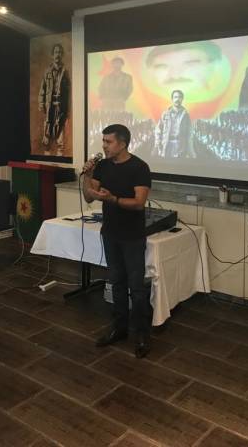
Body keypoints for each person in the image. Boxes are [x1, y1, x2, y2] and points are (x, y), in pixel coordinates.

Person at [82, 124, 152, 358]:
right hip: (110, 233)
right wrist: (88, 175)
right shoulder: (102, 166)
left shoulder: (139, 167)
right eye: (103, 141)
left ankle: (141, 334)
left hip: (132, 236)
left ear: (122, 144)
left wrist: (112, 199)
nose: (104, 146)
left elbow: (139, 203)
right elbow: (89, 197)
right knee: (117, 284)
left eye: (108, 142)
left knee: (137, 288)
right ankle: (120, 329)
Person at [38, 43, 70, 156]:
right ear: (52, 55)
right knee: (47, 138)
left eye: (60, 52)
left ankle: (60, 160)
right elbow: (42, 89)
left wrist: (68, 111)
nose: (58, 55)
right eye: (56, 52)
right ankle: (47, 160)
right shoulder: (47, 72)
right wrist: (41, 103)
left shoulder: (65, 72)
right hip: (49, 108)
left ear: (62, 55)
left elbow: (69, 93)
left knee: (60, 140)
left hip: (61, 109)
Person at [154, 90, 196, 158]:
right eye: (175, 97)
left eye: (179, 97)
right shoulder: (165, 114)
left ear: (182, 99)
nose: (177, 99)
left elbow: (189, 133)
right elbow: (158, 130)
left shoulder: (185, 115)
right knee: (167, 164)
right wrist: (158, 144)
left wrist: (190, 151)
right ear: (172, 99)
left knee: (179, 164)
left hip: (180, 146)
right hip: (167, 144)